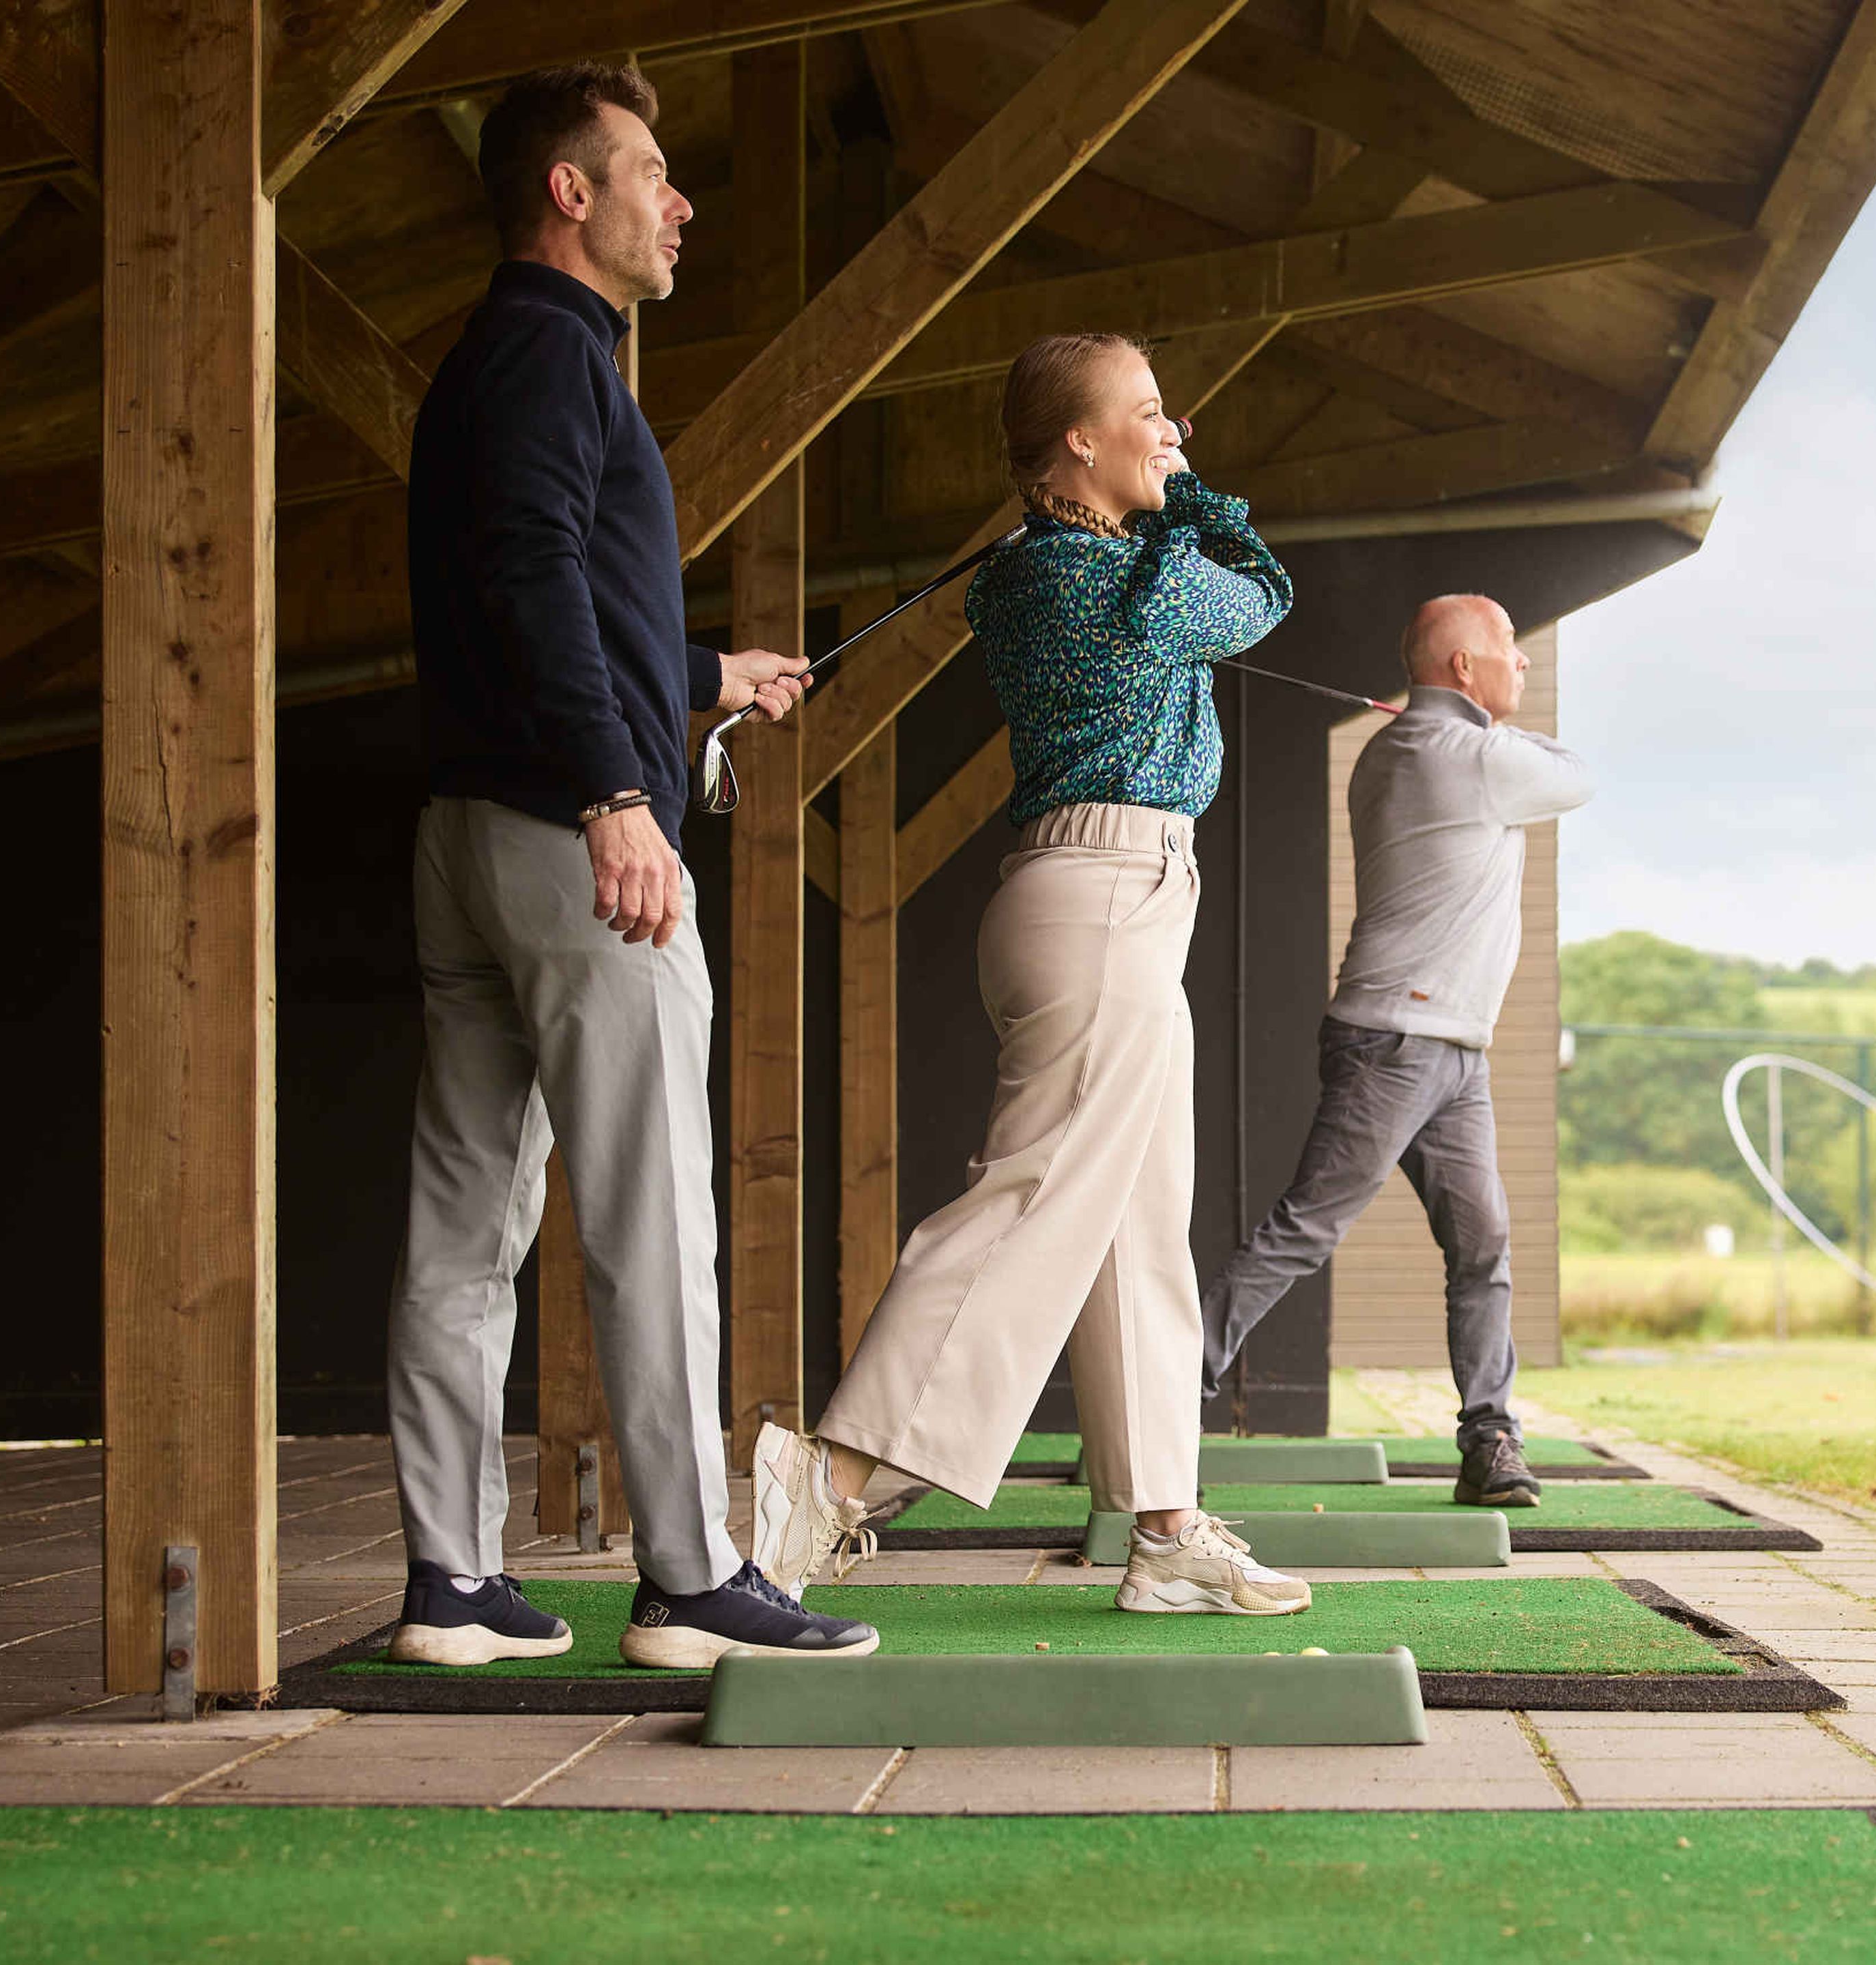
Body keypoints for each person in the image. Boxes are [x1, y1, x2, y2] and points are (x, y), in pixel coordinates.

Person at [384, 64, 874, 1670]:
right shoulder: (551, 355)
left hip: (472, 840)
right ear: (569, 194)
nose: (682, 204)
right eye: (653, 173)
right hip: (570, 843)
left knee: (465, 1230)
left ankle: (453, 1587)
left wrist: (695, 682)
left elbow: (538, 605)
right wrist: (616, 784)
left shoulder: (497, 364)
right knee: (654, 1217)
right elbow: (531, 572)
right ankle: (687, 1578)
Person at [751, 333, 1313, 1616]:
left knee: (1133, 1223)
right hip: (1107, 894)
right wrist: (1202, 494)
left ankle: (1165, 1529)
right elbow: (1258, 591)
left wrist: (1168, 484)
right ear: (1080, 440)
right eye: (1153, 415)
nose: (1174, 435)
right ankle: (826, 1483)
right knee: (1036, 1196)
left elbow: (1211, 576)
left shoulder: (1066, 563)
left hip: (1113, 898)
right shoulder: (1092, 576)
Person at [1201, 594, 1592, 1506]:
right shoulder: (1463, 755)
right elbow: (1576, 777)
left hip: (1454, 1047)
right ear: (1461, 667)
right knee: (1307, 1227)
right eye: (1508, 651)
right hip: (1398, 1042)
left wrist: (1435, 718)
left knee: (1483, 1241)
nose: (1523, 666)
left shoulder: (1407, 747)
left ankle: (1490, 1438)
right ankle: (1165, 1389)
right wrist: (1456, 727)